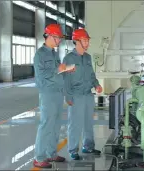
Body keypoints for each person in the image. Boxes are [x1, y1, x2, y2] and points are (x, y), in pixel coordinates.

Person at [33, 23, 75, 168]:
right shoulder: (40, 54)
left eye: (59, 38)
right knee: (46, 124)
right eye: (56, 38)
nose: (59, 41)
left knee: (56, 125)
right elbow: (42, 75)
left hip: (57, 93)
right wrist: (58, 69)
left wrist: (65, 71)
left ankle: (51, 154)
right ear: (48, 36)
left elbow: (58, 73)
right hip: (48, 93)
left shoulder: (54, 53)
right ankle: (39, 157)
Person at [63, 28, 103, 160]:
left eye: (87, 40)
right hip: (76, 95)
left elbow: (91, 75)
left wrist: (96, 84)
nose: (87, 43)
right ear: (77, 41)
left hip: (88, 94)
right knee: (75, 123)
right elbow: (66, 79)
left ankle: (88, 146)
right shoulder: (69, 58)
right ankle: (73, 150)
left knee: (88, 122)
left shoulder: (88, 57)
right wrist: (68, 96)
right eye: (85, 40)